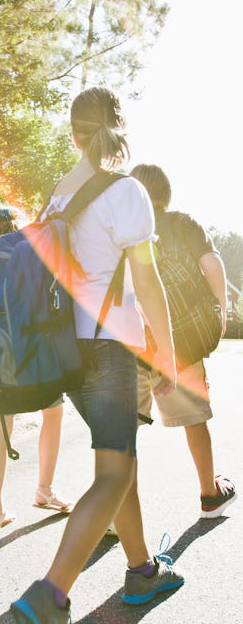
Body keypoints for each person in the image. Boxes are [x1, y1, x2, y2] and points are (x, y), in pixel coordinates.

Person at [9, 87, 184, 624]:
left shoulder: (57, 196)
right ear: (118, 126)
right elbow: (148, 281)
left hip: (65, 353)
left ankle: (141, 571)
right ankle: (50, 592)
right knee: (113, 472)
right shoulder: (126, 190)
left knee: (118, 461)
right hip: (110, 350)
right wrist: (170, 354)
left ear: (72, 132)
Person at [130, 164, 236, 519]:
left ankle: (115, 510)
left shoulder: (125, 231)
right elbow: (213, 264)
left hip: (133, 342)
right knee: (195, 419)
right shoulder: (182, 223)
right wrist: (219, 310)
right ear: (165, 191)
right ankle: (209, 493)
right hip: (182, 338)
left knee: (122, 428)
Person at [0, 206, 72, 532]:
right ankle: (45, 490)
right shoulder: (25, 255)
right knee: (53, 413)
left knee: (1, 426)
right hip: (28, 355)